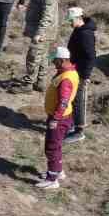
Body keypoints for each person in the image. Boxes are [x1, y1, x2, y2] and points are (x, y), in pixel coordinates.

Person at [36, 47, 79, 190]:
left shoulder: (66, 79)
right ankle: (58, 171)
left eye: (55, 61)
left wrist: (55, 119)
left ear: (62, 60)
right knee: (57, 145)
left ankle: (52, 179)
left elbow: (63, 102)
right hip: (64, 117)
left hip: (59, 119)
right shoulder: (68, 72)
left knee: (52, 148)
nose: (53, 63)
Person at [20, 0, 60, 91]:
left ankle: (27, 84)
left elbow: (48, 16)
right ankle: (41, 83)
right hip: (44, 30)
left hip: (43, 32)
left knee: (33, 56)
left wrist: (40, 33)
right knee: (43, 57)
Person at [64, 7, 97, 143]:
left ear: (79, 18)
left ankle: (79, 131)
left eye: (71, 20)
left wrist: (86, 76)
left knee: (79, 101)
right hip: (74, 70)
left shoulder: (85, 34)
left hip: (81, 73)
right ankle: (72, 125)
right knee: (73, 99)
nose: (70, 23)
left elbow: (91, 56)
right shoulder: (79, 30)